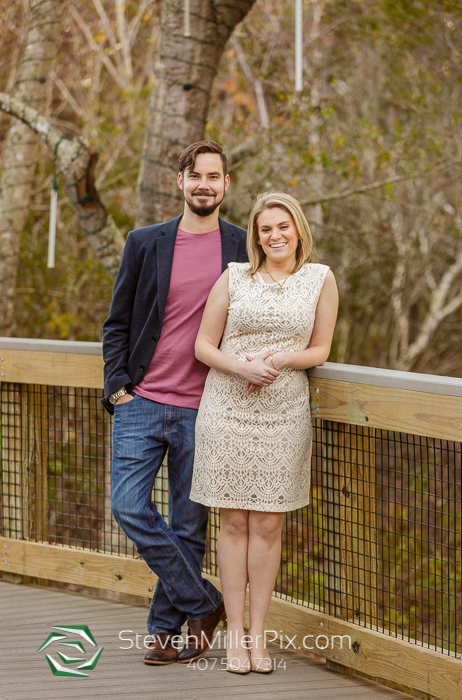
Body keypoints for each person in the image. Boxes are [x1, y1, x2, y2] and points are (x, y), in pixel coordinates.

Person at [102, 140, 248, 665]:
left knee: (190, 525)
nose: (204, 184)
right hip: (141, 399)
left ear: (226, 185)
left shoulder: (242, 247)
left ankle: (166, 632)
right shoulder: (145, 242)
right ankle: (204, 603)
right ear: (180, 182)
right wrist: (117, 386)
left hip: (207, 407)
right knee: (128, 506)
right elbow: (117, 321)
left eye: (214, 176)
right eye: (195, 175)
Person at [191, 191, 339, 674]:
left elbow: (319, 349)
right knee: (233, 522)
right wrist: (241, 367)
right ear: (255, 236)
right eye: (265, 229)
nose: (274, 235)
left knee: (269, 524)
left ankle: (259, 638)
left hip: (283, 411)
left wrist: (278, 359)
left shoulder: (320, 279)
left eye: (282, 226)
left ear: (298, 229)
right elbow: (203, 346)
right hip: (228, 407)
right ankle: (235, 636)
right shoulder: (235, 278)